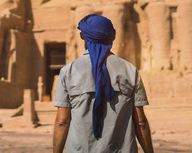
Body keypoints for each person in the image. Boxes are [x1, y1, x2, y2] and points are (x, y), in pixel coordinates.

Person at [53, 14, 154, 153]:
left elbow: (62, 122)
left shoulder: (68, 71)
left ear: (83, 37)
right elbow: (140, 122)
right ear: (112, 38)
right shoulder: (130, 70)